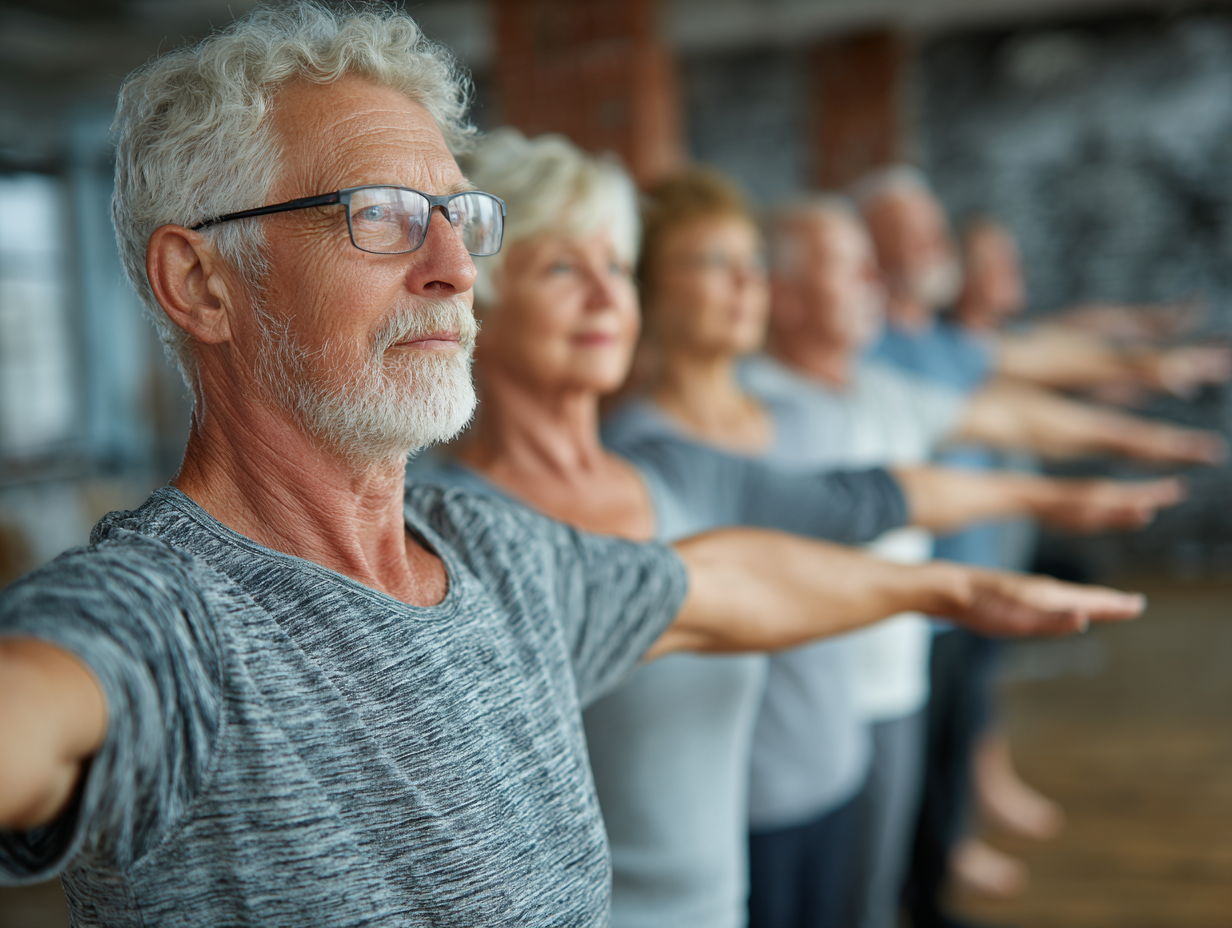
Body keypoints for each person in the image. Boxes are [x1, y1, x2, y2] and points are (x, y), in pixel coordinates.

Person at [0, 7, 1150, 926]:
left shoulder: (496, 554)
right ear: (200, 283)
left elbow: (721, 582)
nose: (455, 266)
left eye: (460, 216)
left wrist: (946, 586)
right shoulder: (165, 617)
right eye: (383, 216)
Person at [422, 139, 1180, 928]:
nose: (606, 298)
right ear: (484, 295)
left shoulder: (668, 468)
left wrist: (1030, 517)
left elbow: (860, 499)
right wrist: (952, 587)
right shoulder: (447, 517)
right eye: (560, 270)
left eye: (615, 267)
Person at [621, 175, 1207, 928]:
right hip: (743, 787)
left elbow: (887, 491)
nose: (746, 284)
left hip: (834, 740)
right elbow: (833, 526)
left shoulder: (798, 406)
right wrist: (967, 575)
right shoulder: (683, 439)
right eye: (714, 263)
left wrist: (1066, 486)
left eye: (753, 265)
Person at [850, 165, 1222, 923]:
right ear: (870, 252)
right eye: (913, 229)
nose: (933, 241)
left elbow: (1047, 358)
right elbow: (1049, 360)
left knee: (954, 751)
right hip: (915, 605)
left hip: (974, 587)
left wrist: (1146, 369)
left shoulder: (943, 344)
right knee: (911, 782)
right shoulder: (871, 352)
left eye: (931, 226)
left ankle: (941, 882)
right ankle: (926, 887)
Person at [954, 217, 1232, 402]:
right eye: (998, 261)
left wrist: (1155, 363)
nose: (1017, 271)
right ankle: (1151, 332)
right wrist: (1155, 364)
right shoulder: (966, 345)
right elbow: (1075, 370)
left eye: (1012, 260)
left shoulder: (1009, 332)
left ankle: (1150, 328)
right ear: (961, 271)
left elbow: (1087, 379)